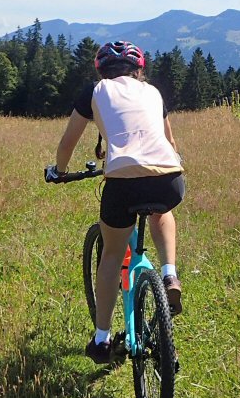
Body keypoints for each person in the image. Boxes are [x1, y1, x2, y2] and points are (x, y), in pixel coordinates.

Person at [46, 40, 185, 364]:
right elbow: (171, 142)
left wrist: (60, 172)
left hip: (122, 183)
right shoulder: (152, 93)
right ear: (138, 70)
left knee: (111, 255)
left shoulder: (95, 92)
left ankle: (102, 339)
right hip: (169, 177)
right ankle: (168, 274)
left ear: (102, 70)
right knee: (161, 210)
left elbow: (68, 142)